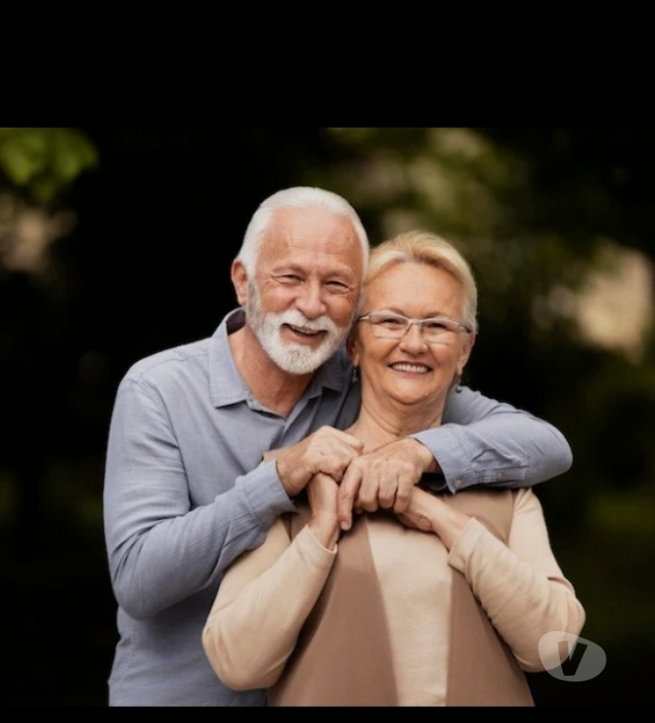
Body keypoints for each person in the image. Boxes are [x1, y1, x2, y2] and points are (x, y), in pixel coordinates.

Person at [103, 187, 573, 706]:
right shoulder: (159, 390)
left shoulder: (370, 374)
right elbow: (140, 580)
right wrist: (277, 482)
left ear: (353, 316)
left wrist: (417, 453)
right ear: (243, 281)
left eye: (337, 284)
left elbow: (546, 445)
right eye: (290, 277)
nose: (311, 304)